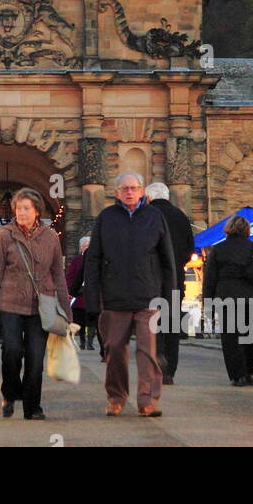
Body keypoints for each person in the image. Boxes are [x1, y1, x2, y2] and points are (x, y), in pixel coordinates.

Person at [84, 172, 175, 418]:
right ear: (116, 193)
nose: (129, 192)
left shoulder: (155, 217)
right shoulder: (106, 218)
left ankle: (148, 400)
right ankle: (116, 397)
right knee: (114, 349)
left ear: (142, 191)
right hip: (115, 297)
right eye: (124, 188)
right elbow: (93, 260)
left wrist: (169, 297)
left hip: (148, 296)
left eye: (134, 188)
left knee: (147, 352)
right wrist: (92, 299)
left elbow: (167, 260)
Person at [0, 187, 71, 421]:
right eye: (18, 208)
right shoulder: (5, 235)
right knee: (11, 350)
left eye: (26, 208)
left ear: (37, 211)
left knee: (35, 357)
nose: (21, 212)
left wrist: (67, 314)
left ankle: (33, 406)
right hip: (9, 304)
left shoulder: (51, 237)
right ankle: (10, 393)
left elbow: (58, 275)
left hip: (41, 306)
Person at [203, 215, 253, 386]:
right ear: (247, 230)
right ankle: (248, 373)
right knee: (248, 337)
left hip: (227, 298)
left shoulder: (218, 249)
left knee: (230, 338)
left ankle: (237, 375)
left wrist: (208, 303)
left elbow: (210, 279)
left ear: (228, 229)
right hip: (251, 298)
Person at [146, 182, 195, 384]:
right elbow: (190, 248)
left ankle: (157, 365)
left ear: (148, 198)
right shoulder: (181, 216)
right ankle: (169, 370)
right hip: (175, 278)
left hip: (150, 278)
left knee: (153, 324)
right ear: (167, 196)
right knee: (172, 324)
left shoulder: (145, 215)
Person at [65, 235, 93, 351]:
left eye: (88, 246)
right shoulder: (76, 260)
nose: (86, 248)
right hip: (79, 295)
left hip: (91, 295)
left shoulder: (95, 259)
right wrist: (72, 291)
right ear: (81, 247)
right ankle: (82, 340)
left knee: (92, 319)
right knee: (80, 320)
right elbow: (70, 276)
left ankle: (90, 342)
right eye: (84, 246)